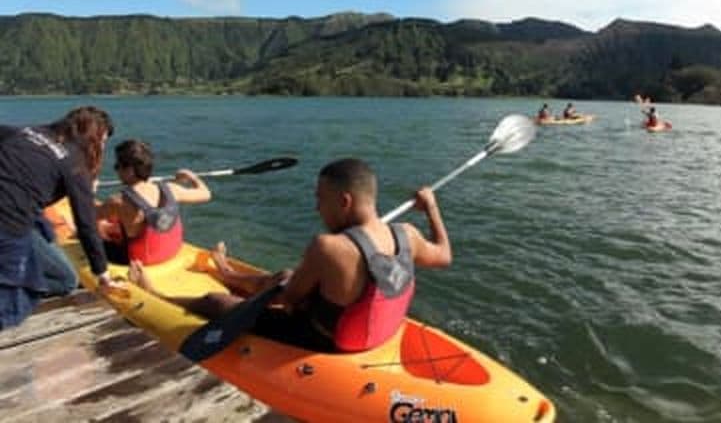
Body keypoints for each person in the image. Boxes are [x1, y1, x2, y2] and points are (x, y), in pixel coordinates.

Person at [128, 157, 452, 353]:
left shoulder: (329, 247)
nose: (316, 207)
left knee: (217, 302)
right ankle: (226, 271)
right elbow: (444, 255)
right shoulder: (408, 233)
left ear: (345, 202)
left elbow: (287, 301)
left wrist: (284, 291)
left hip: (326, 340)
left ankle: (153, 292)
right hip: (376, 329)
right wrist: (432, 208)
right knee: (284, 276)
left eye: (320, 199)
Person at [0, 106, 123, 330]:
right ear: (93, 138)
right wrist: (102, 273)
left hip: (22, 216)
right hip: (9, 226)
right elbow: (86, 225)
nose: (102, 147)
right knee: (65, 281)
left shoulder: (27, 131)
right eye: (102, 140)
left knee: (44, 228)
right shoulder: (75, 165)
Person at [96, 139, 211, 265]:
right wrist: (192, 177)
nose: (116, 170)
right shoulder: (172, 189)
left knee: (91, 231)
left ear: (130, 169)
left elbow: (88, 216)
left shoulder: (118, 201)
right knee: (116, 220)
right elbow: (206, 194)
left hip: (139, 260)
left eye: (117, 166)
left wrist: (89, 190)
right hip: (171, 252)